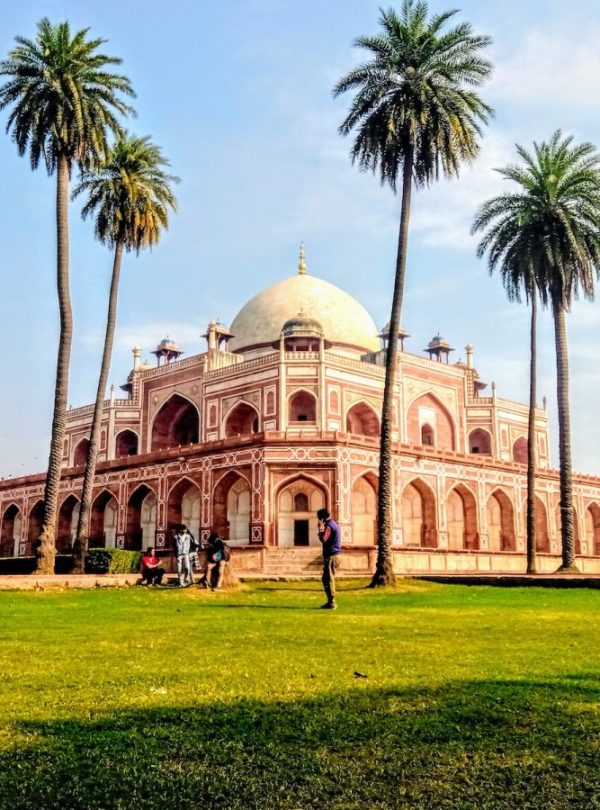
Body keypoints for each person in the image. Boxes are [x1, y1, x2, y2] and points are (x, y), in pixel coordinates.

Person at [317, 508, 341, 609]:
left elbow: (324, 540)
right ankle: (330, 601)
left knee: (328, 579)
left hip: (331, 555)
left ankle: (332, 602)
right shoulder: (335, 524)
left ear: (322, 518)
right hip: (336, 555)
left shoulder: (329, 526)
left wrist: (320, 531)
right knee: (326, 578)